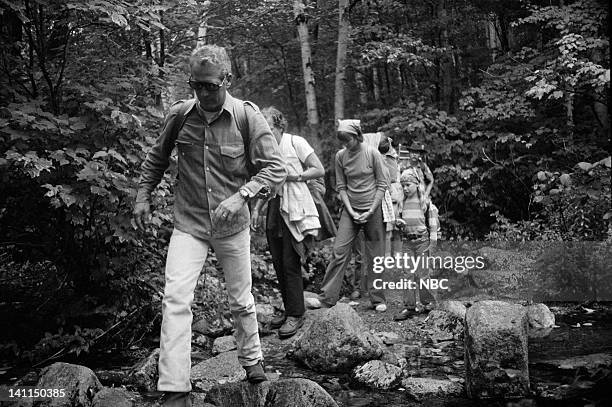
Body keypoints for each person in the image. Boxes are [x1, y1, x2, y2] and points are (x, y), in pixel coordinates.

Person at [133, 45, 286, 406]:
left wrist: (242, 196)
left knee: (241, 300)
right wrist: (142, 195)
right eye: (194, 85)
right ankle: (175, 388)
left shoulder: (247, 118)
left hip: (232, 226)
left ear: (227, 80)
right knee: (175, 299)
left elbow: (276, 169)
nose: (201, 93)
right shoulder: (180, 115)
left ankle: (252, 361)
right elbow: (156, 158)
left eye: (208, 86)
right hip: (189, 223)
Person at [251, 107, 324, 339]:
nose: (266, 131)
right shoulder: (266, 149)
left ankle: (296, 314)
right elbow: (266, 182)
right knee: (277, 262)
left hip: (295, 205)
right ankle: (289, 309)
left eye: (269, 127)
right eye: (263, 127)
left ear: (279, 125)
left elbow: (318, 169)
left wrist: (295, 177)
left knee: (290, 259)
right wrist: (257, 209)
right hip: (274, 207)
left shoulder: (296, 142)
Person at [314, 119, 389, 311]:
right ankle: (327, 298)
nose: (345, 144)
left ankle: (377, 299)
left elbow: (382, 184)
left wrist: (371, 210)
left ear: (357, 136)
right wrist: (351, 210)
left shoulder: (372, 153)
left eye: (348, 140)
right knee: (339, 251)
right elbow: (341, 187)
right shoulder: (341, 156)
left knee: (375, 255)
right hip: (350, 210)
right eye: (342, 141)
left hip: (373, 209)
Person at [393, 169, 440, 321]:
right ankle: (410, 306)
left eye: (408, 185)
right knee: (407, 274)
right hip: (407, 242)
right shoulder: (401, 202)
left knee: (422, 273)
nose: (405, 188)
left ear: (416, 184)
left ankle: (427, 304)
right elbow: (398, 223)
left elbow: (433, 224)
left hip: (422, 242)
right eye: (403, 186)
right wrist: (398, 224)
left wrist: (432, 244)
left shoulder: (425, 202)